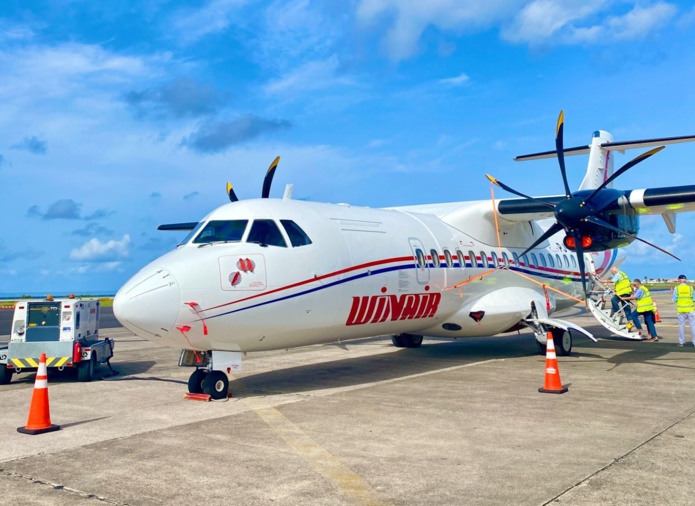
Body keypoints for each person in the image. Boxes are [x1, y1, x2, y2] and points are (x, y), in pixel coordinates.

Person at [672, 274, 695, 347]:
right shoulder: (690, 288)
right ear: (685, 280)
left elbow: (674, 299)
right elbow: (694, 298)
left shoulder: (677, 288)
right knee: (693, 326)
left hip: (681, 310)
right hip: (690, 309)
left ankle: (682, 342)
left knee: (681, 326)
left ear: (679, 280)